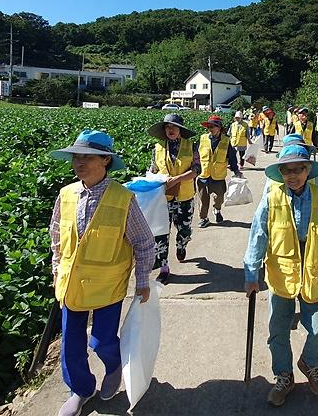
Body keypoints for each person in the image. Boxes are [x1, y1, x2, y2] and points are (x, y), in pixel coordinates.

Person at [49, 130, 155, 416]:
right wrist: (57, 268)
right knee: (71, 343)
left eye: (87, 157)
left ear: (106, 160)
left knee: (102, 340)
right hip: (71, 283)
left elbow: (143, 241)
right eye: (76, 158)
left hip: (108, 285)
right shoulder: (66, 194)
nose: (79, 163)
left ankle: (114, 365)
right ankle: (80, 390)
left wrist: (143, 280)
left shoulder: (122, 198)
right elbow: (57, 235)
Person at [243, 144, 318, 407]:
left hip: (314, 272)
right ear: (280, 173)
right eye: (287, 171)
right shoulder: (271, 199)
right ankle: (284, 376)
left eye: (298, 169)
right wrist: (251, 272)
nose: (293, 175)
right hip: (282, 274)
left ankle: (309, 363)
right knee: (278, 331)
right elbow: (258, 236)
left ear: (308, 170)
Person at [148, 113, 200, 284]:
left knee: (184, 229)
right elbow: (153, 170)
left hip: (184, 196)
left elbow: (196, 170)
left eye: (174, 127)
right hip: (163, 197)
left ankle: (181, 245)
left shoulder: (191, 146)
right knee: (161, 233)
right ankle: (164, 268)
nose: (170, 130)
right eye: (167, 127)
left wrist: (176, 180)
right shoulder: (157, 148)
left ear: (180, 130)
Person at [196, 114, 242, 228]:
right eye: (209, 127)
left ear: (219, 128)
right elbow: (196, 155)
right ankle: (204, 218)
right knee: (203, 200)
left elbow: (231, 157)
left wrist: (236, 170)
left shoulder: (226, 141)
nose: (210, 129)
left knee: (219, 198)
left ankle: (217, 210)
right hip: (203, 174)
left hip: (218, 176)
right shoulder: (202, 138)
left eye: (213, 126)